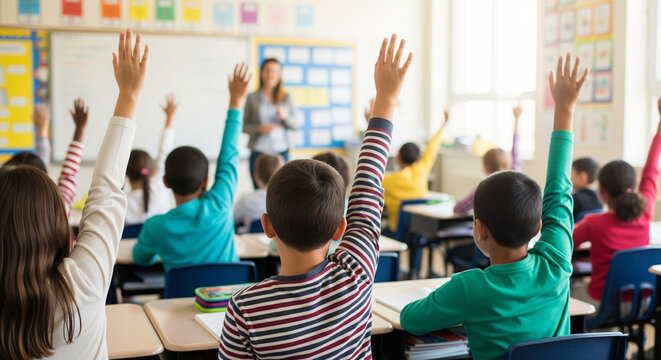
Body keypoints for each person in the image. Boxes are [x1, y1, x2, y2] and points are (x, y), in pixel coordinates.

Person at [218, 34, 412, 359]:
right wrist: (386, 98)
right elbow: (366, 187)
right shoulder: (357, 273)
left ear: (267, 225)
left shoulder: (245, 309)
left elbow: (365, 192)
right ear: (340, 228)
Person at [400, 53, 588, 360]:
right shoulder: (555, 265)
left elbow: (410, 320)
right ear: (539, 227)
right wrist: (564, 110)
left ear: (479, 228)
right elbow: (559, 192)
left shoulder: (468, 288)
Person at [0, 29, 148, 359]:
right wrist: (129, 96)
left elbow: (104, 194)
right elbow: (106, 192)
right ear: (57, 222)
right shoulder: (81, 283)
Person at [132, 64, 252, 271]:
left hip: (180, 303)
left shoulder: (156, 227)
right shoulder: (220, 205)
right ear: (206, 182)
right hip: (229, 301)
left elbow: (141, 258)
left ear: (165, 181)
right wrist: (236, 102)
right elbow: (229, 156)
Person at [572, 98, 661, 306]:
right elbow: (651, 172)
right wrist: (659, 131)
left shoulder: (594, 223)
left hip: (603, 303)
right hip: (642, 302)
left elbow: (565, 243)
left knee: (568, 295)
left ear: (601, 192)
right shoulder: (645, 211)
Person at [4, 99, 88, 218]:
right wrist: (80, 129)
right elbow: (68, 175)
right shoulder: (58, 209)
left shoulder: (4, 217)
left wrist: (42, 130)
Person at [382, 109, 449, 233]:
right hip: (418, 230)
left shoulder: (387, 180)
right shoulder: (422, 170)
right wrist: (444, 123)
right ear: (418, 158)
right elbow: (432, 147)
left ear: (398, 158)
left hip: (396, 230)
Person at [453, 104, 523, 214]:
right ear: (507, 163)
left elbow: (458, 208)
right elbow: (516, 150)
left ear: (485, 168)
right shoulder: (516, 178)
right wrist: (517, 119)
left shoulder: (483, 189)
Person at [243, 58, 298, 189]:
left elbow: (295, 125)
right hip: (259, 152)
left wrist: (285, 118)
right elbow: (243, 126)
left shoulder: (286, 97)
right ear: (262, 73)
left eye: (275, 71)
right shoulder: (252, 98)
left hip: (282, 151)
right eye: (267, 70)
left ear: (279, 75)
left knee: (283, 190)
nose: (271, 74)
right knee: (259, 190)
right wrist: (260, 128)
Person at [124, 94, 177, 225]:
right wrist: (169, 118)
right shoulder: (159, 188)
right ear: (153, 170)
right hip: (160, 245)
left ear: (125, 173)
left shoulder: (121, 203)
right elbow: (164, 151)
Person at [234, 152, 284, 234]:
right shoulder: (285, 200)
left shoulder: (245, 199)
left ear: (256, 177)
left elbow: (233, 219)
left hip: (250, 241)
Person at [571, 157, 602, 222]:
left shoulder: (575, 199)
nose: (569, 178)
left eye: (571, 174)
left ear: (582, 176)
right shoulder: (599, 196)